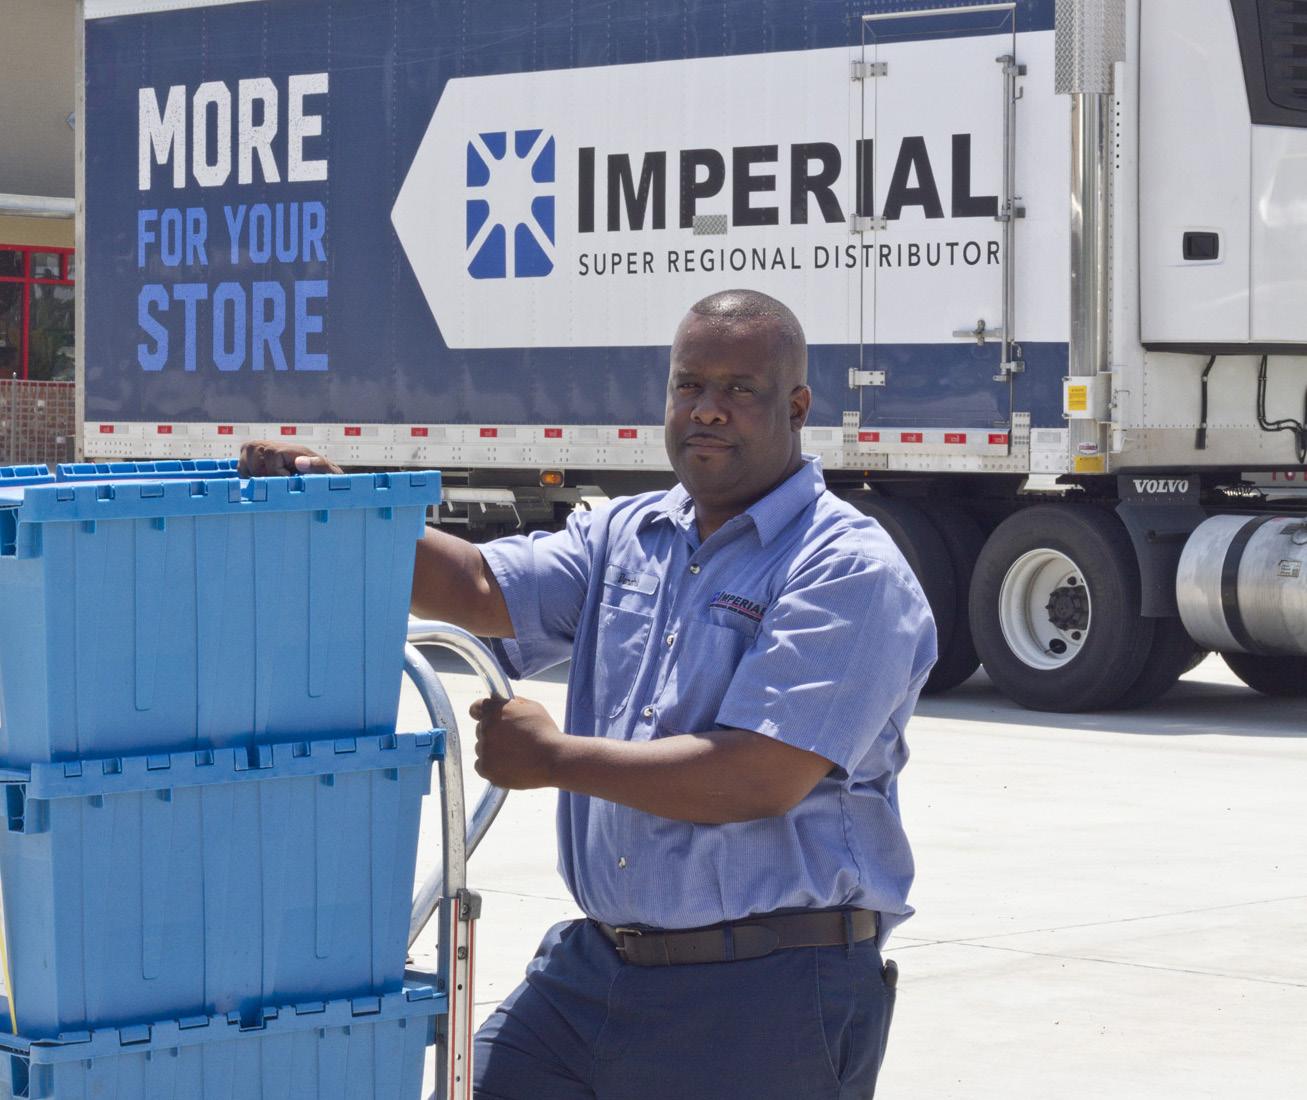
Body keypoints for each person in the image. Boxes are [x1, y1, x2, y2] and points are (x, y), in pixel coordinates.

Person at [240, 289, 935, 1099]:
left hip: (763, 992)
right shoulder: (626, 534)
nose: (707, 409)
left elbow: (759, 776)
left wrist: (553, 759)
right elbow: (475, 585)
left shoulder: (845, 567)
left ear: (797, 406)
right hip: (595, 974)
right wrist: (340, 509)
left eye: (738, 389)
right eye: (688, 385)